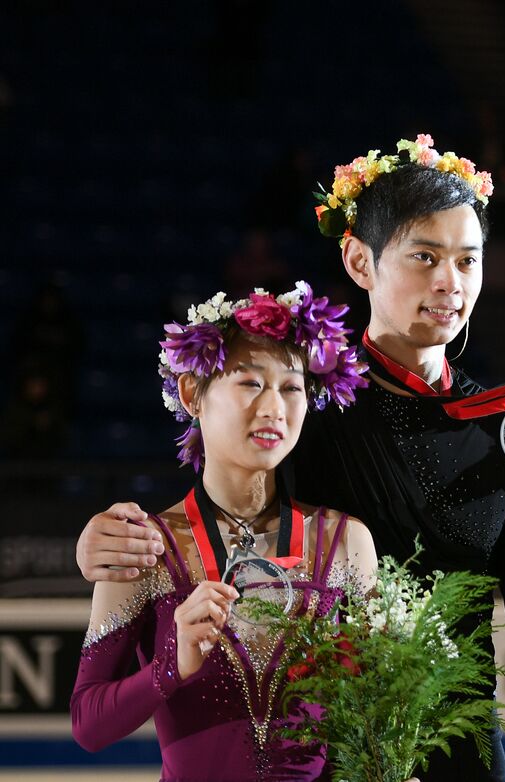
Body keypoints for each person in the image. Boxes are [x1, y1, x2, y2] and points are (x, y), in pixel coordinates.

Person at [74, 135, 505, 781]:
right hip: (331, 754)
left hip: (462, 748)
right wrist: (107, 544)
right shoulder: (303, 404)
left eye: (468, 261)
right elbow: (219, 512)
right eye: (424, 257)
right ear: (358, 261)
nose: (448, 283)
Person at [71, 285, 378, 780]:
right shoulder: (145, 546)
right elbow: (88, 723)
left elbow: (377, 713)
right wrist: (172, 663)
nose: (274, 407)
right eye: (251, 383)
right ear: (193, 393)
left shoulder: (345, 542)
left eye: (291, 387)